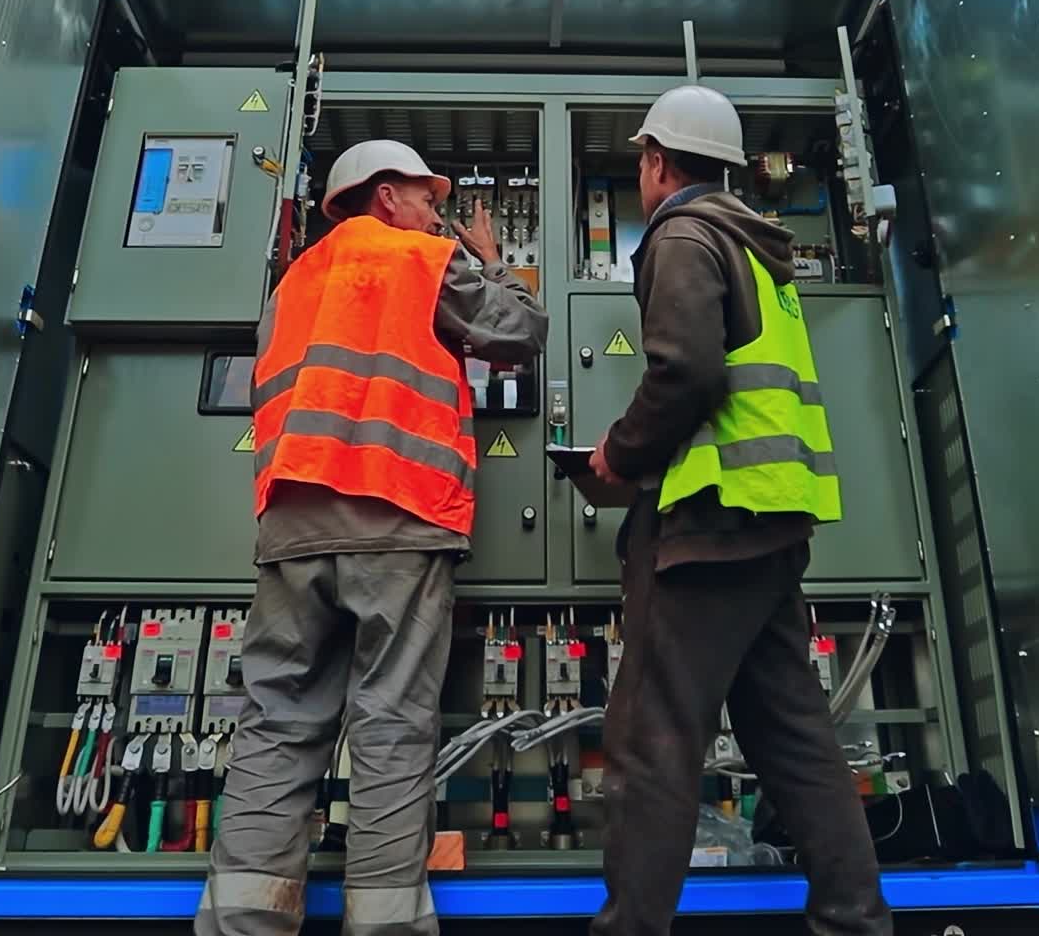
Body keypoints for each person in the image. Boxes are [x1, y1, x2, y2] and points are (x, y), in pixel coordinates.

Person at [197, 139, 547, 936]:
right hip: (396, 511)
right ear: (386, 196)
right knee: (390, 724)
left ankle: (243, 921)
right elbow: (521, 330)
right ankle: (386, 924)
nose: (437, 214)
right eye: (428, 197)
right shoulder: (419, 260)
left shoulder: (296, 279)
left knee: (277, 722)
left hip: (292, 521)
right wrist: (494, 263)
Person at [588, 86, 891, 936]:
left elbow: (686, 370)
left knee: (654, 743)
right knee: (797, 742)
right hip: (772, 524)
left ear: (657, 162)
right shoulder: (759, 249)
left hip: (708, 527)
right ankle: (856, 921)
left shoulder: (684, 235)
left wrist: (619, 453)